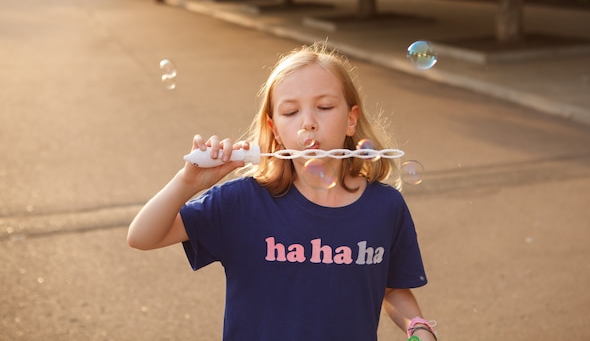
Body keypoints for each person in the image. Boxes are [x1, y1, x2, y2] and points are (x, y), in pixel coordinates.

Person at [127, 42, 437, 341]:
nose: (308, 123)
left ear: (351, 119)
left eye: (325, 107)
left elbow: (392, 288)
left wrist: (419, 327)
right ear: (274, 129)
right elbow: (142, 236)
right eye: (291, 112)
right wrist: (188, 183)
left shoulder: (385, 207)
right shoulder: (242, 203)